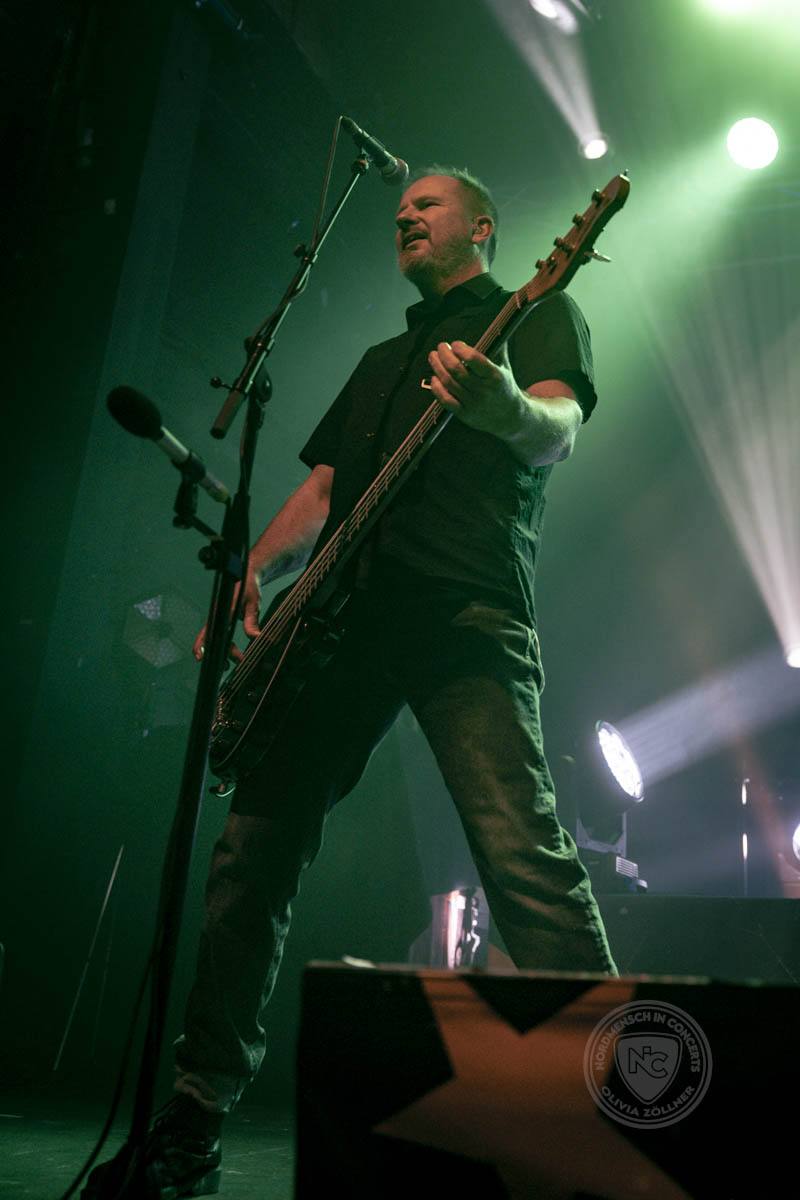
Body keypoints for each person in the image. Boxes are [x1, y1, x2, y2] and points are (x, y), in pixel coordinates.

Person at [83, 166, 617, 1199]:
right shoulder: (379, 361)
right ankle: (193, 1115)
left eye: (427, 204)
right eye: (398, 209)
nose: (404, 215)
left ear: (483, 226)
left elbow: (554, 431)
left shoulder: (538, 310)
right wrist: (253, 571)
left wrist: (503, 404)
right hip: (340, 626)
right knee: (252, 849)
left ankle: (626, 1103)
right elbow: (326, 489)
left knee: (521, 852)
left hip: (464, 612)